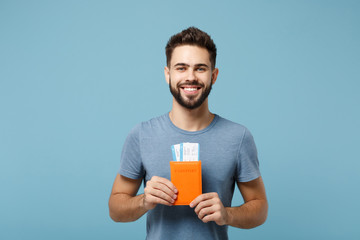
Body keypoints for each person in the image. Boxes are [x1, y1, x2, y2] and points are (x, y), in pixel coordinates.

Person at [108, 27, 268, 240]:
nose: (190, 77)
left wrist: (227, 214)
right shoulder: (142, 135)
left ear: (214, 75)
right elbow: (115, 210)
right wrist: (143, 201)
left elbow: (260, 209)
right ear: (168, 74)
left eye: (200, 68)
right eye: (181, 68)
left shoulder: (238, 137)